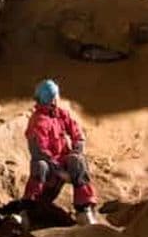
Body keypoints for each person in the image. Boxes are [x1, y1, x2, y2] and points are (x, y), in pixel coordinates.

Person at [23, 79, 98, 225]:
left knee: (77, 161)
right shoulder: (37, 122)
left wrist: (77, 151)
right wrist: (58, 171)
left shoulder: (61, 114)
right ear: (52, 99)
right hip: (50, 168)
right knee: (40, 166)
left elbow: (77, 134)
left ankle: (84, 211)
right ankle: (27, 209)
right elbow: (40, 152)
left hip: (63, 161)